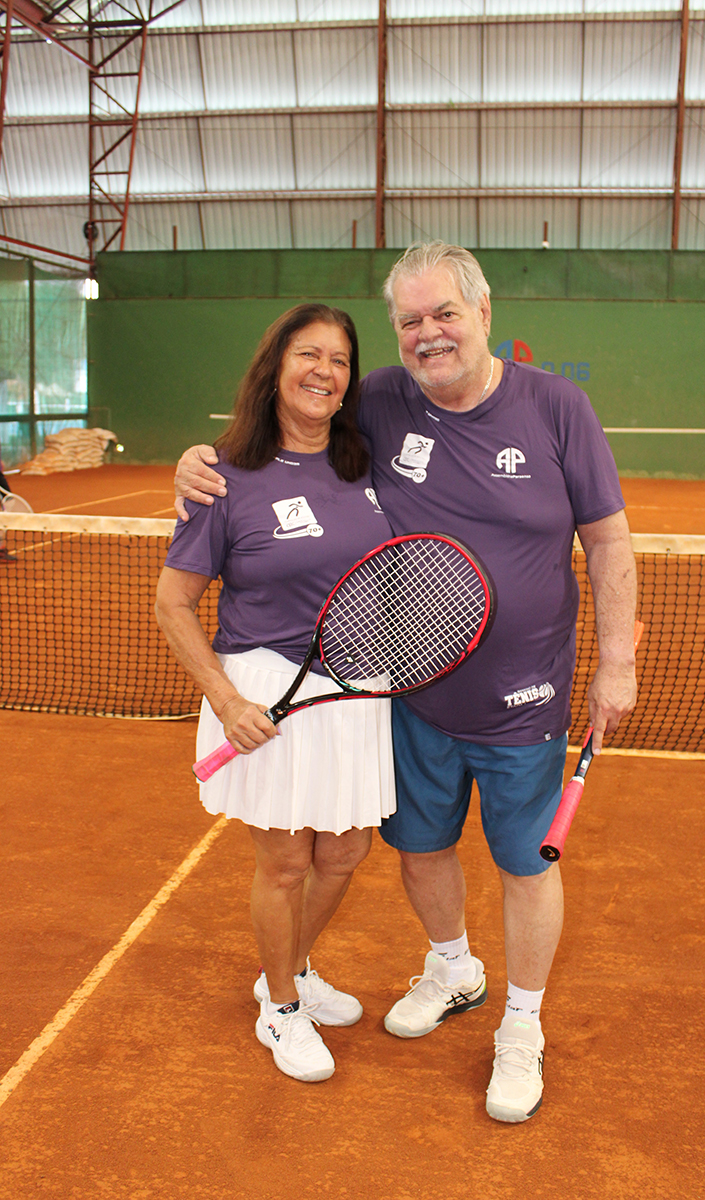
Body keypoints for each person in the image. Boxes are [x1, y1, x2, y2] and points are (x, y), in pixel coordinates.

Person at [174, 243, 638, 1124]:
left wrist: (617, 660)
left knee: (524, 867)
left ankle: (522, 1025)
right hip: (406, 693)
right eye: (410, 321)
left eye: (445, 314)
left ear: (483, 313)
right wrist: (200, 463)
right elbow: (286, 421)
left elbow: (608, 538)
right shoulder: (380, 399)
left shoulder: (557, 407)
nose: (430, 334)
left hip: (526, 700)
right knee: (419, 850)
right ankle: (453, 967)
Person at [156, 303, 396, 1086]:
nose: (325, 371)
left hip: (356, 689)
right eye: (308, 355)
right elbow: (172, 602)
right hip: (264, 692)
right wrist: (226, 701)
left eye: (339, 359)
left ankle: (285, 969)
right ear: (275, 367)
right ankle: (283, 1008)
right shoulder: (224, 476)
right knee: (287, 863)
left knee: (347, 850)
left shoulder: (368, 464)